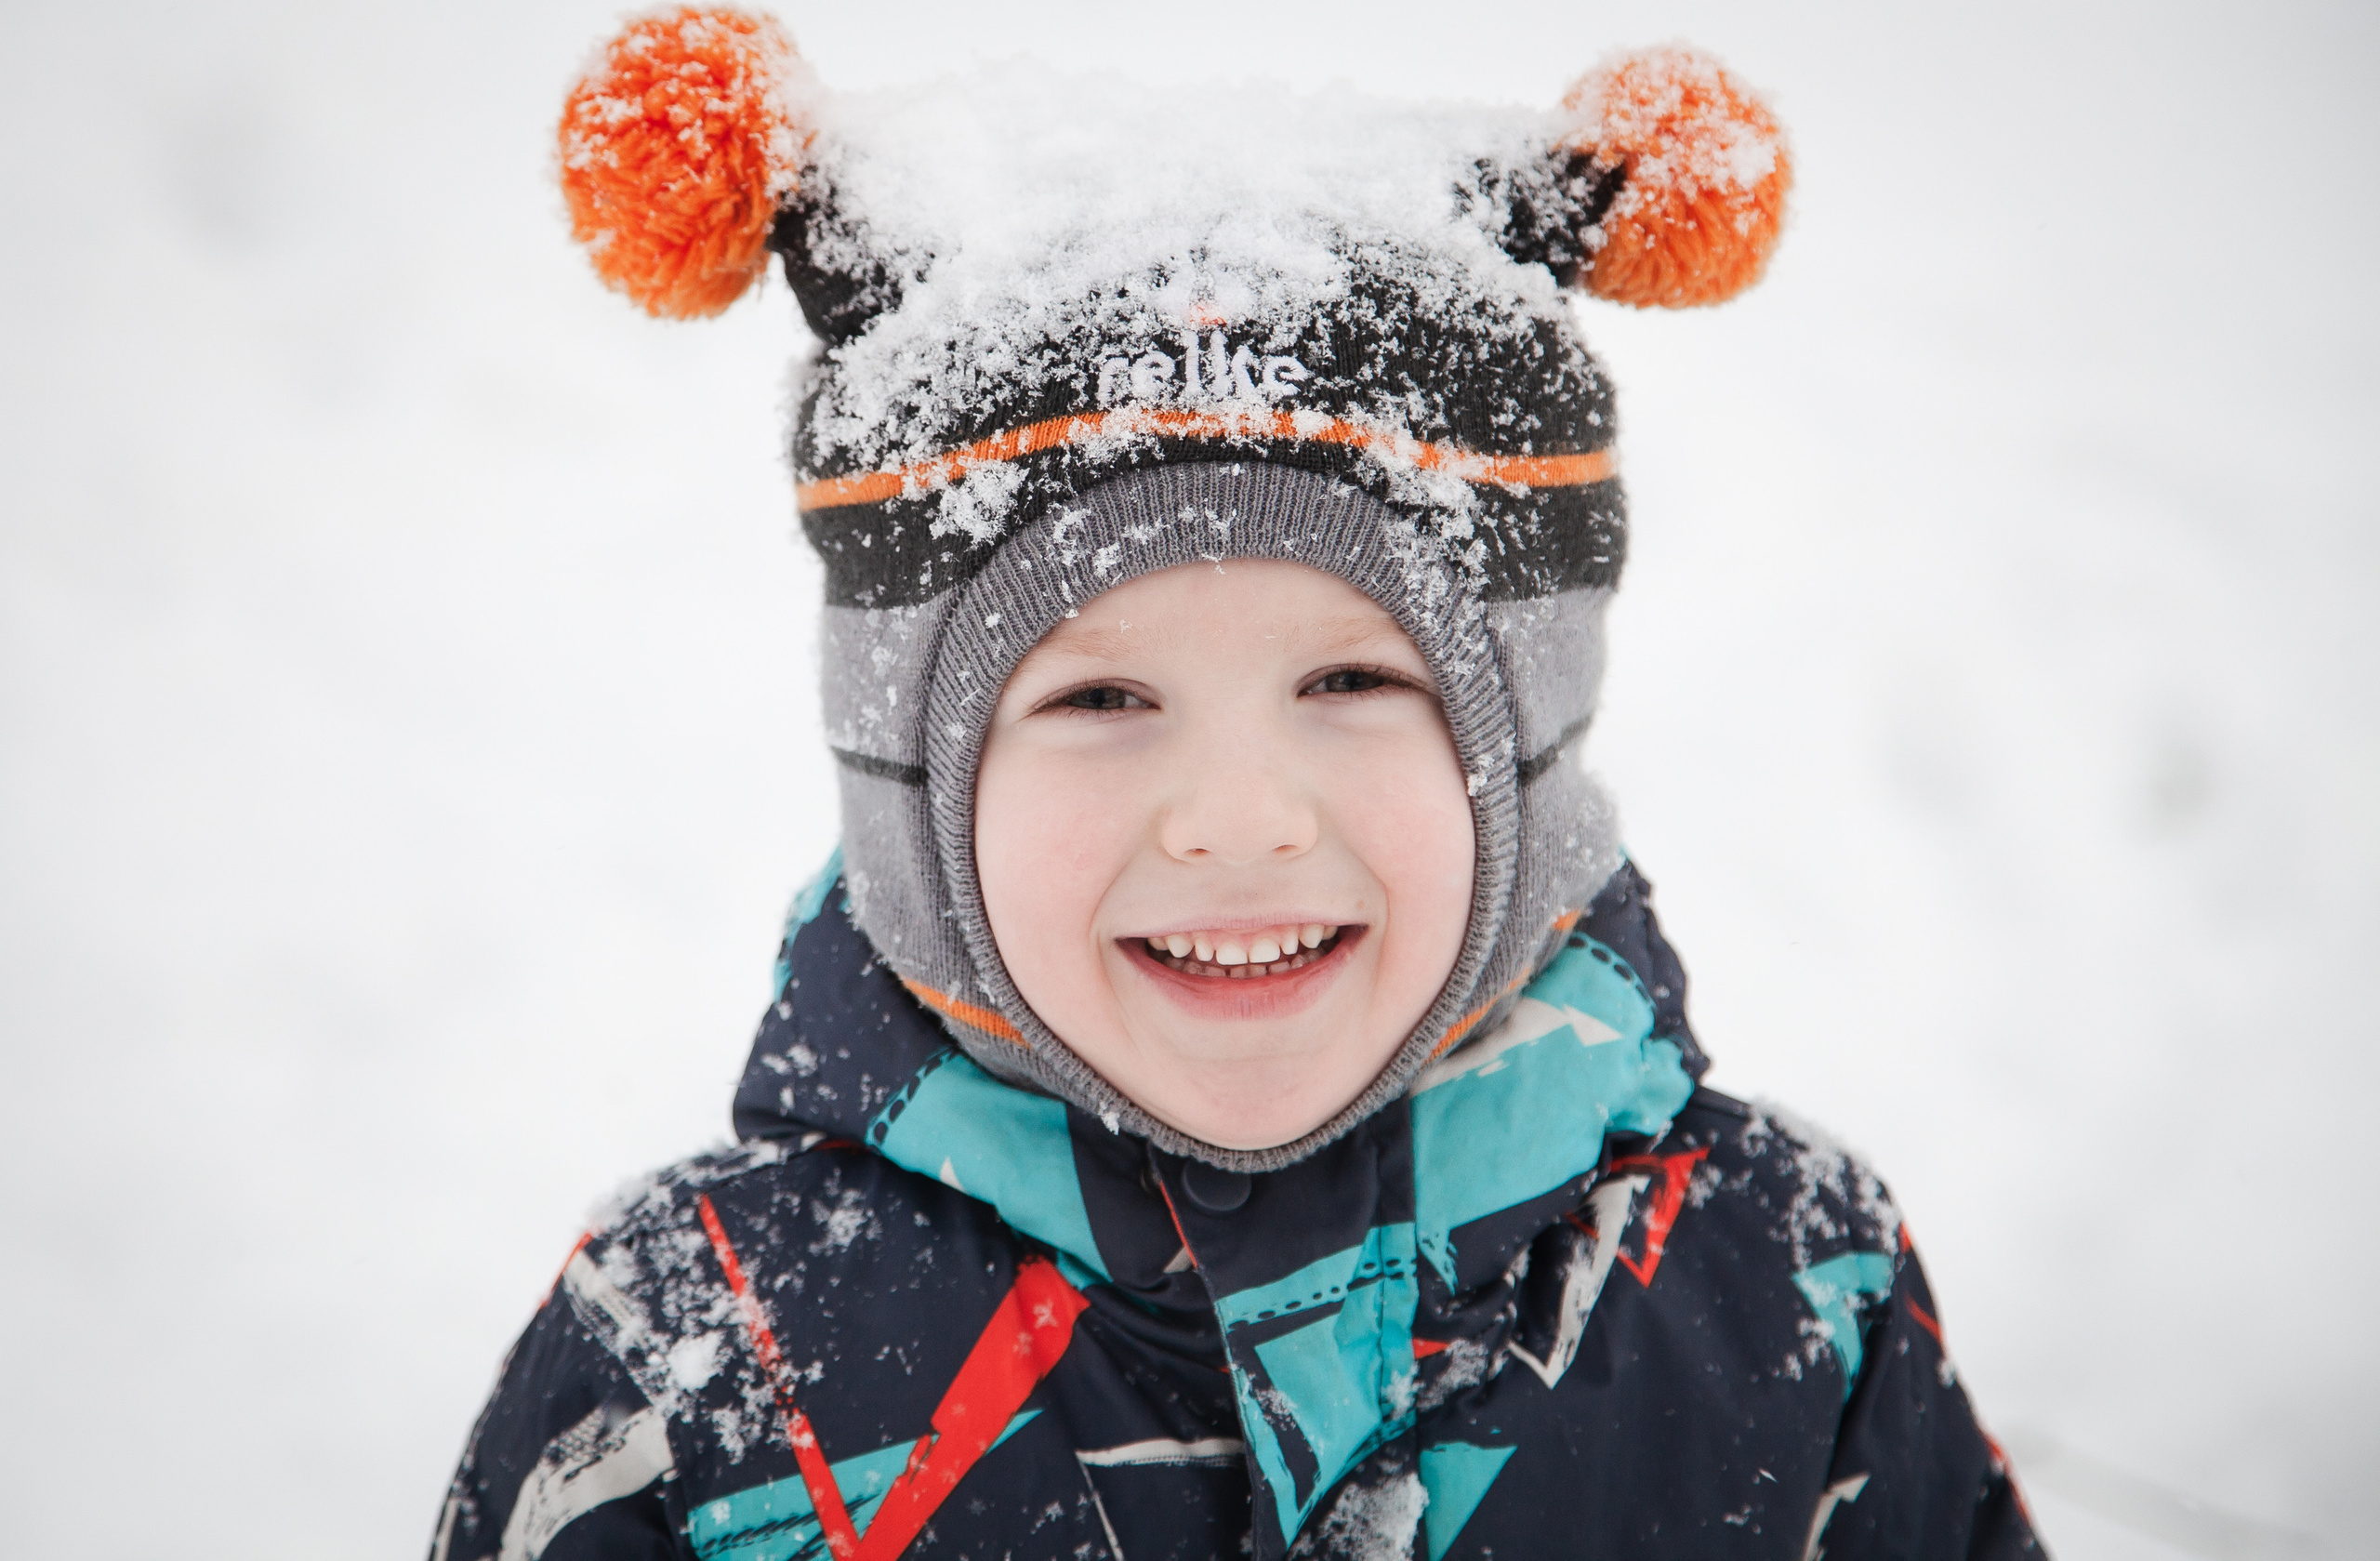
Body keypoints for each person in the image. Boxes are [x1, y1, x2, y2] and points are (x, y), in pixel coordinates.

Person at [432, 10, 2041, 1558]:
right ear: (912, 792)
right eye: (1102, 695)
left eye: (1351, 682)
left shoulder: (1787, 1286)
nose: (1241, 816)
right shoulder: (699, 1363)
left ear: (1526, 757)